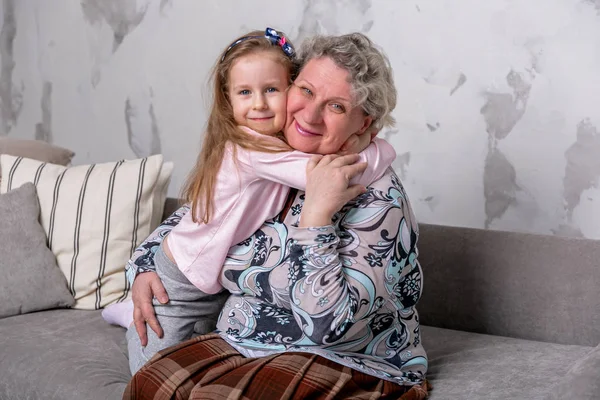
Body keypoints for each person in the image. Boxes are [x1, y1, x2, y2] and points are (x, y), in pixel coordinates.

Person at [124, 31, 429, 399]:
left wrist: (316, 218)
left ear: (364, 124)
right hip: (239, 340)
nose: (311, 114)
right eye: (306, 91)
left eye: (336, 107)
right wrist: (144, 267)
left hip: (338, 357)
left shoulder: (379, 200)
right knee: (149, 385)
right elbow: (198, 217)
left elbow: (328, 327)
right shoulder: (273, 153)